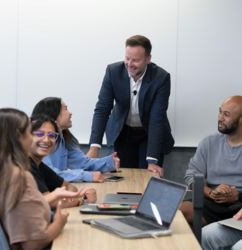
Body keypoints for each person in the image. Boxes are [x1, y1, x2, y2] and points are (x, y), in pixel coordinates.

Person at [87, 35, 174, 177]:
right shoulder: (113, 72)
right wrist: (94, 147)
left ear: (148, 59)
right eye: (127, 58)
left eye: (136, 60)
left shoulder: (161, 78)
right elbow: (102, 109)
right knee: (125, 178)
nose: (130, 64)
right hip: (124, 132)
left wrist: (152, 160)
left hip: (149, 133)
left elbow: (157, 118)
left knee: (148, 177)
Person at [0, 108, 79, 250]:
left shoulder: (1, 170)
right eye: (31, 133)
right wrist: (59, 223)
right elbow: (32, 243)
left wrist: (54, 196)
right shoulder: (19, 177)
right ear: (17, 137)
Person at [180, 95, 242, 228]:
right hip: (211, 202)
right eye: (220, 112)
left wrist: (238, 196)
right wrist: (211, 193)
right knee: (175, 212)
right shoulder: (209, 142)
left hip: (239, 206)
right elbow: (192, 175)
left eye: (226, 114)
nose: (220, 118)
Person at [31, 97, 120, 183]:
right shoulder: (40, 143)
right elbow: (50, 174)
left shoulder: (64, 137)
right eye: (66, 109)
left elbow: (83, 164)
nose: (70, 113)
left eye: (51, 135)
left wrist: (109, 162)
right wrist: (87, 176)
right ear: (55, 115)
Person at [29, 114, 97, 207]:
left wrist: (66, 199)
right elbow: (46, 202)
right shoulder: (25, 164)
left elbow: (68, 186)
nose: (46, 140)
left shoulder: (39, 164)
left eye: (52, 135)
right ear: (26, 137)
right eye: (40, 134)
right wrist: (81, 199)